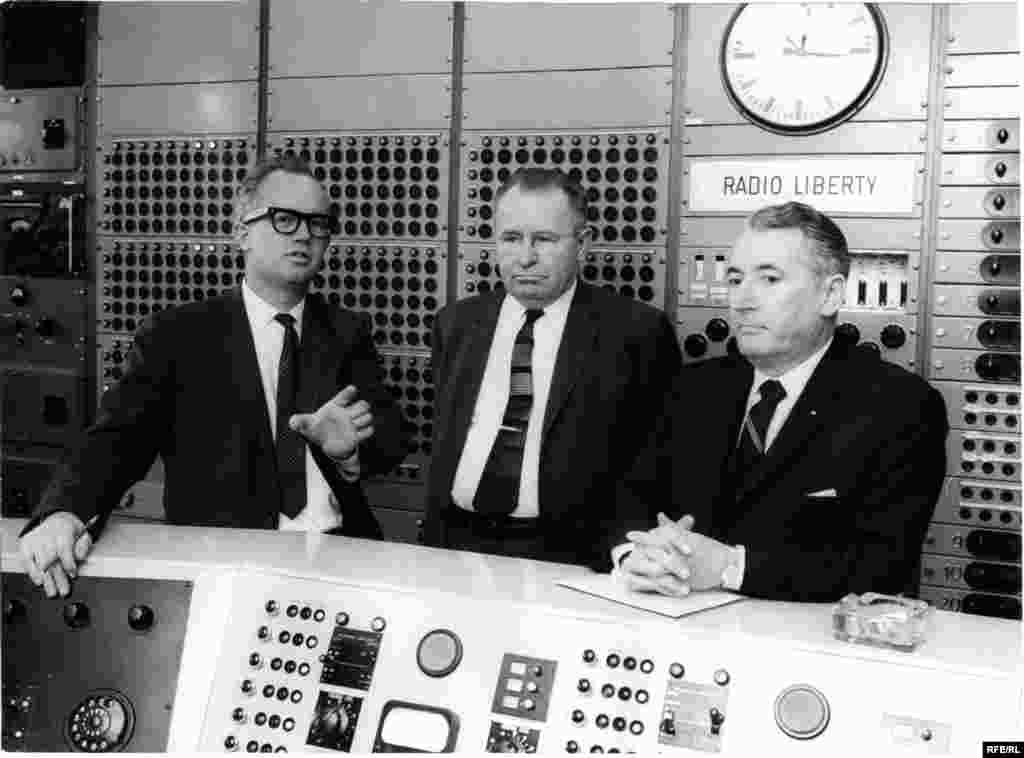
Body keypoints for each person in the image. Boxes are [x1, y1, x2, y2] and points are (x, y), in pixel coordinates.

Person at [19, 155, 409, 597]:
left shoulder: (346, 331)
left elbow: (392, 439)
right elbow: (117, 439)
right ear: (241, 232)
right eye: (285, 219)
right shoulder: (177, 335)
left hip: (338, 559)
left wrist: (349, 451)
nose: (304, 234)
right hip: (223, 565)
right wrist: (64, 512)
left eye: (319, 224)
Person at [617, 201, 948, 602]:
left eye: (770, 279)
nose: (742, 300)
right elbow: (625, 505)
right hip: (675, 622)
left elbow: (883, 563)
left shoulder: (901, 407)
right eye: (735, 280)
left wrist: (730, 566)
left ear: (830, 295)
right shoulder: (691, 389)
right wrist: (635, 556)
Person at [422, 167, 682, 567]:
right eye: (511, 238)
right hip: (453, 547)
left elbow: (655, 464)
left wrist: (626, 552)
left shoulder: (636, 333)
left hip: (569, 556)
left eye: (544, 239)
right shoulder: (456, 324)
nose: (525, 257)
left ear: (582, 244)